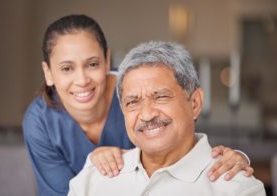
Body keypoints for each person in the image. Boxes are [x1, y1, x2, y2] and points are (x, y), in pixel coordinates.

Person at [22, 14, 253, 196]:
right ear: (48, 73)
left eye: (92, 64)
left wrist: (234, 158)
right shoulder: (40, 122)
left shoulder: (137, 87)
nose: (82, 80)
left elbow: (185, 140)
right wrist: (92, 168)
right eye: (66, 68)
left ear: (107, 61)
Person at [68, 41, 266, 196]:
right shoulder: (90, 181)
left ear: (195, 103)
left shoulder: (237, 189)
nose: (147, 114)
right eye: (133, 102)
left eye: (161, 97)